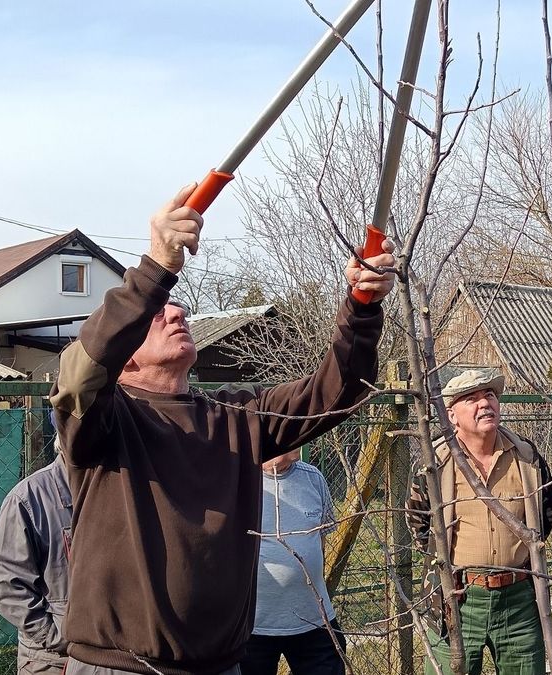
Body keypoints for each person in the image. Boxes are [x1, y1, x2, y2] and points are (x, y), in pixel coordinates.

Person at [49, 183, 395, 675]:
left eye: (176, 305)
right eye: (158, 313)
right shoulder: (107, 422)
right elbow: (79, 375)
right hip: (120, 667)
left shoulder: (235, 418)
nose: (177, 310)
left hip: (221, 667)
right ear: (123, 359)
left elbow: (337, 392)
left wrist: (361, 306)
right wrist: (154, 271)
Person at [406, 369, 552, 675]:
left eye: (490, 395)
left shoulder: (527, 457)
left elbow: (546, 513)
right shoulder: (434, 463)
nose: (485, 403)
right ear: (451, 415)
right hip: (456, 600)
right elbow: (419, 524)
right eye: (472, 398)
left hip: (519, 600)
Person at [240, 449, 345, 675]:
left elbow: (321, 543)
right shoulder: (239, 479)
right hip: (253, 627)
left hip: (315, 622)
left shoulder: (313, 478)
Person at [0, 449, 73, 675]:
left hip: (113, 657)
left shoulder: (121, 492)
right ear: (62, 440)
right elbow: (7, 584)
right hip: (52, 660)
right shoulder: (27, 498)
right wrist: (56, 637)